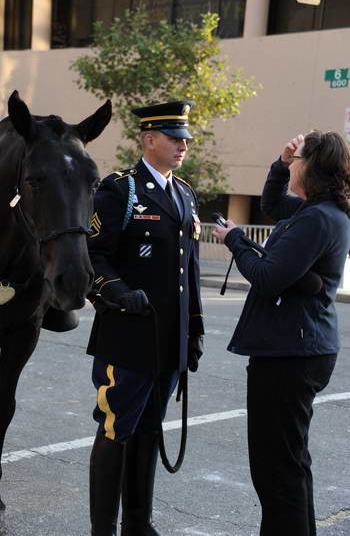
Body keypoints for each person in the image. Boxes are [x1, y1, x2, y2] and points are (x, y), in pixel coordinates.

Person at [213, 130, 350, 536]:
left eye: (298, 160)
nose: (294, 165)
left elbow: (267, 279)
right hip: (301, 349)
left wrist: (235, 240)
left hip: (291, 354)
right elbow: (273, 204)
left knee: (276, 471)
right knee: (290, 463)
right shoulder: (318, 212)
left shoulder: (319, 219)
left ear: (313, 168)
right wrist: (279, 161)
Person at [86, 101, 204, 536]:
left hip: (168, 338)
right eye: (175, 138)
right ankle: (104, 529)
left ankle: (139, 522)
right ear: (149, 140)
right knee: (116, 428)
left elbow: (188, 270)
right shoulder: (121, 189)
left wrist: (194, 328)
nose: (183, 146)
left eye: (186, 139)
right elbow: (93, 254)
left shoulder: (185, 193)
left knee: (150, 429)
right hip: (128, 335)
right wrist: (115, 291)